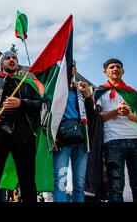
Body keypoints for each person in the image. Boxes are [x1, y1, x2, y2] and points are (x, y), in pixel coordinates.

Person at [0, 51, 42, 202]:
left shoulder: (27, 83)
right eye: (7, 58)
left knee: (27, 179)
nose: (11, 60)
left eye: (14, 58)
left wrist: (22, 103)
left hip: (24, 134)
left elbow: (41, 104)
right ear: (1, 64)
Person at [94, 58, 137, 202]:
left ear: (123, 71)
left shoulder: (132, 92)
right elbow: (97, 119)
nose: (115, 69)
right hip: (113, 140)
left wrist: (127, 114)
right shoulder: (100, 92)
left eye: (118, 67)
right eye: (112, 67)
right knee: (116, 184)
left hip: (136, 139)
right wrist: (115, 112)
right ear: (105, 72)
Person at [53, 63, 96, 202]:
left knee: (79, 183)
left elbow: (92, 115)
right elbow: (47, 115)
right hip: (62, 140)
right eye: (66, 63)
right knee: (60, 181)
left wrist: (88, 96)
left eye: (71, 64)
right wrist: (51, 137)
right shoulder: (54, 88)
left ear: (75, 69)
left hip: (81, 140)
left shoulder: (80, 89)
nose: (68, 67)